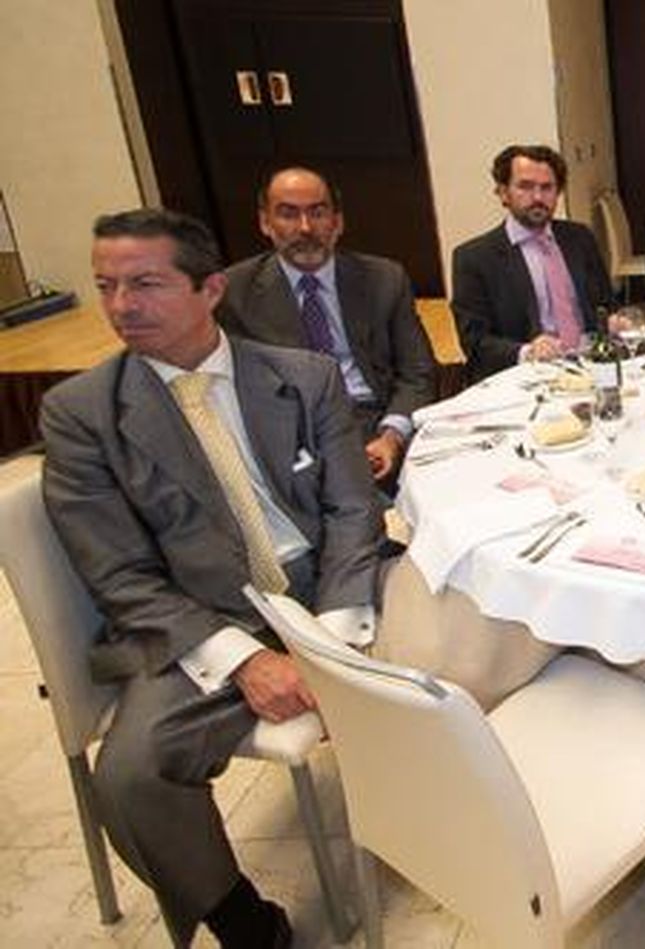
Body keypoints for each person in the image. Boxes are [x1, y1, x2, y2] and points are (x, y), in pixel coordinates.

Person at [40, 209, 383, 947]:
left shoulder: (304, 376)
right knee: (131, 773)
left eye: (146, 283)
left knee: (479, 640)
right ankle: (244, 921)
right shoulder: (80, 415)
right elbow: (119, 574)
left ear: (210, 289)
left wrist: (332, 642)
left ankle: (447, 835)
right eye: (107, 286)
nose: (122, 305)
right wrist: (251, 658)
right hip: (203, 618)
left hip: (325, 589)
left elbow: (354, 510)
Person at [218, 166, 436, 484]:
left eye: (318, 212)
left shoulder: (384, 279)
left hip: (376, 418)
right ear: (265, 222)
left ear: (338, 222)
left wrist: (392, 436)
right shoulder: (234, 292)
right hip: (297, 435)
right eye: (288, 214)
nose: (305, 228)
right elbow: (238, 391)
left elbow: (417, 371)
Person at [451, 144, 613, 382]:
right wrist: (527, 352)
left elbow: (605, 304)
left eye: (547, 188)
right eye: (525, 187)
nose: (538, 197)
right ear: (503, 193)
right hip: (526, 377)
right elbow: (475, 341)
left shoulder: (580, 238)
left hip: (591, 365)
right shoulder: (475, 258)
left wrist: (612, 321)